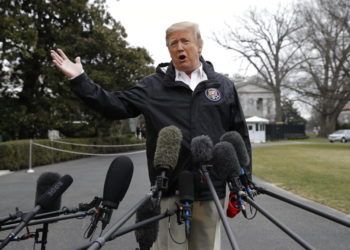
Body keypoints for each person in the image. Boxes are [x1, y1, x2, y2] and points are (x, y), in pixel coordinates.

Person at [50, 21, 251, 250]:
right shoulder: (152, 87)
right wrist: (80, 80)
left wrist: (244, 182)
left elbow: (239, 134)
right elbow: (115, 105)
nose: (179, 47)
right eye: (173, 43)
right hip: (170, 189)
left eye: (185, 41)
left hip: (211, 189)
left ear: (199, 45)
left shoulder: (223, 85)